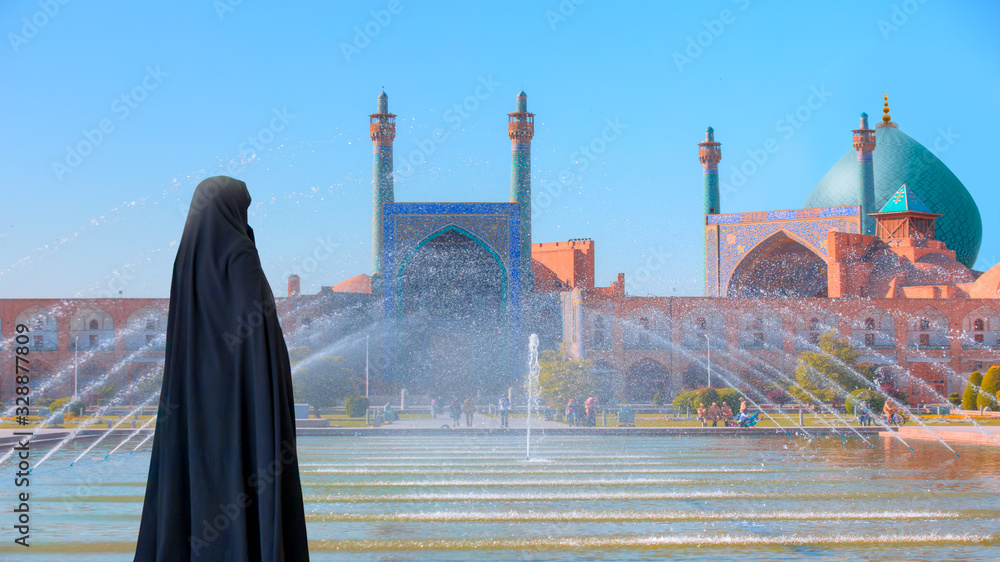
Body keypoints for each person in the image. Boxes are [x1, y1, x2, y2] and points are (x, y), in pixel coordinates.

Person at [134, 176, 310, 561]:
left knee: (193, 470)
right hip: (241, 397)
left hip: (191, 396)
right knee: (245, 470)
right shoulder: (240, 254)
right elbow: (262, 338)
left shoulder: (186, 260)